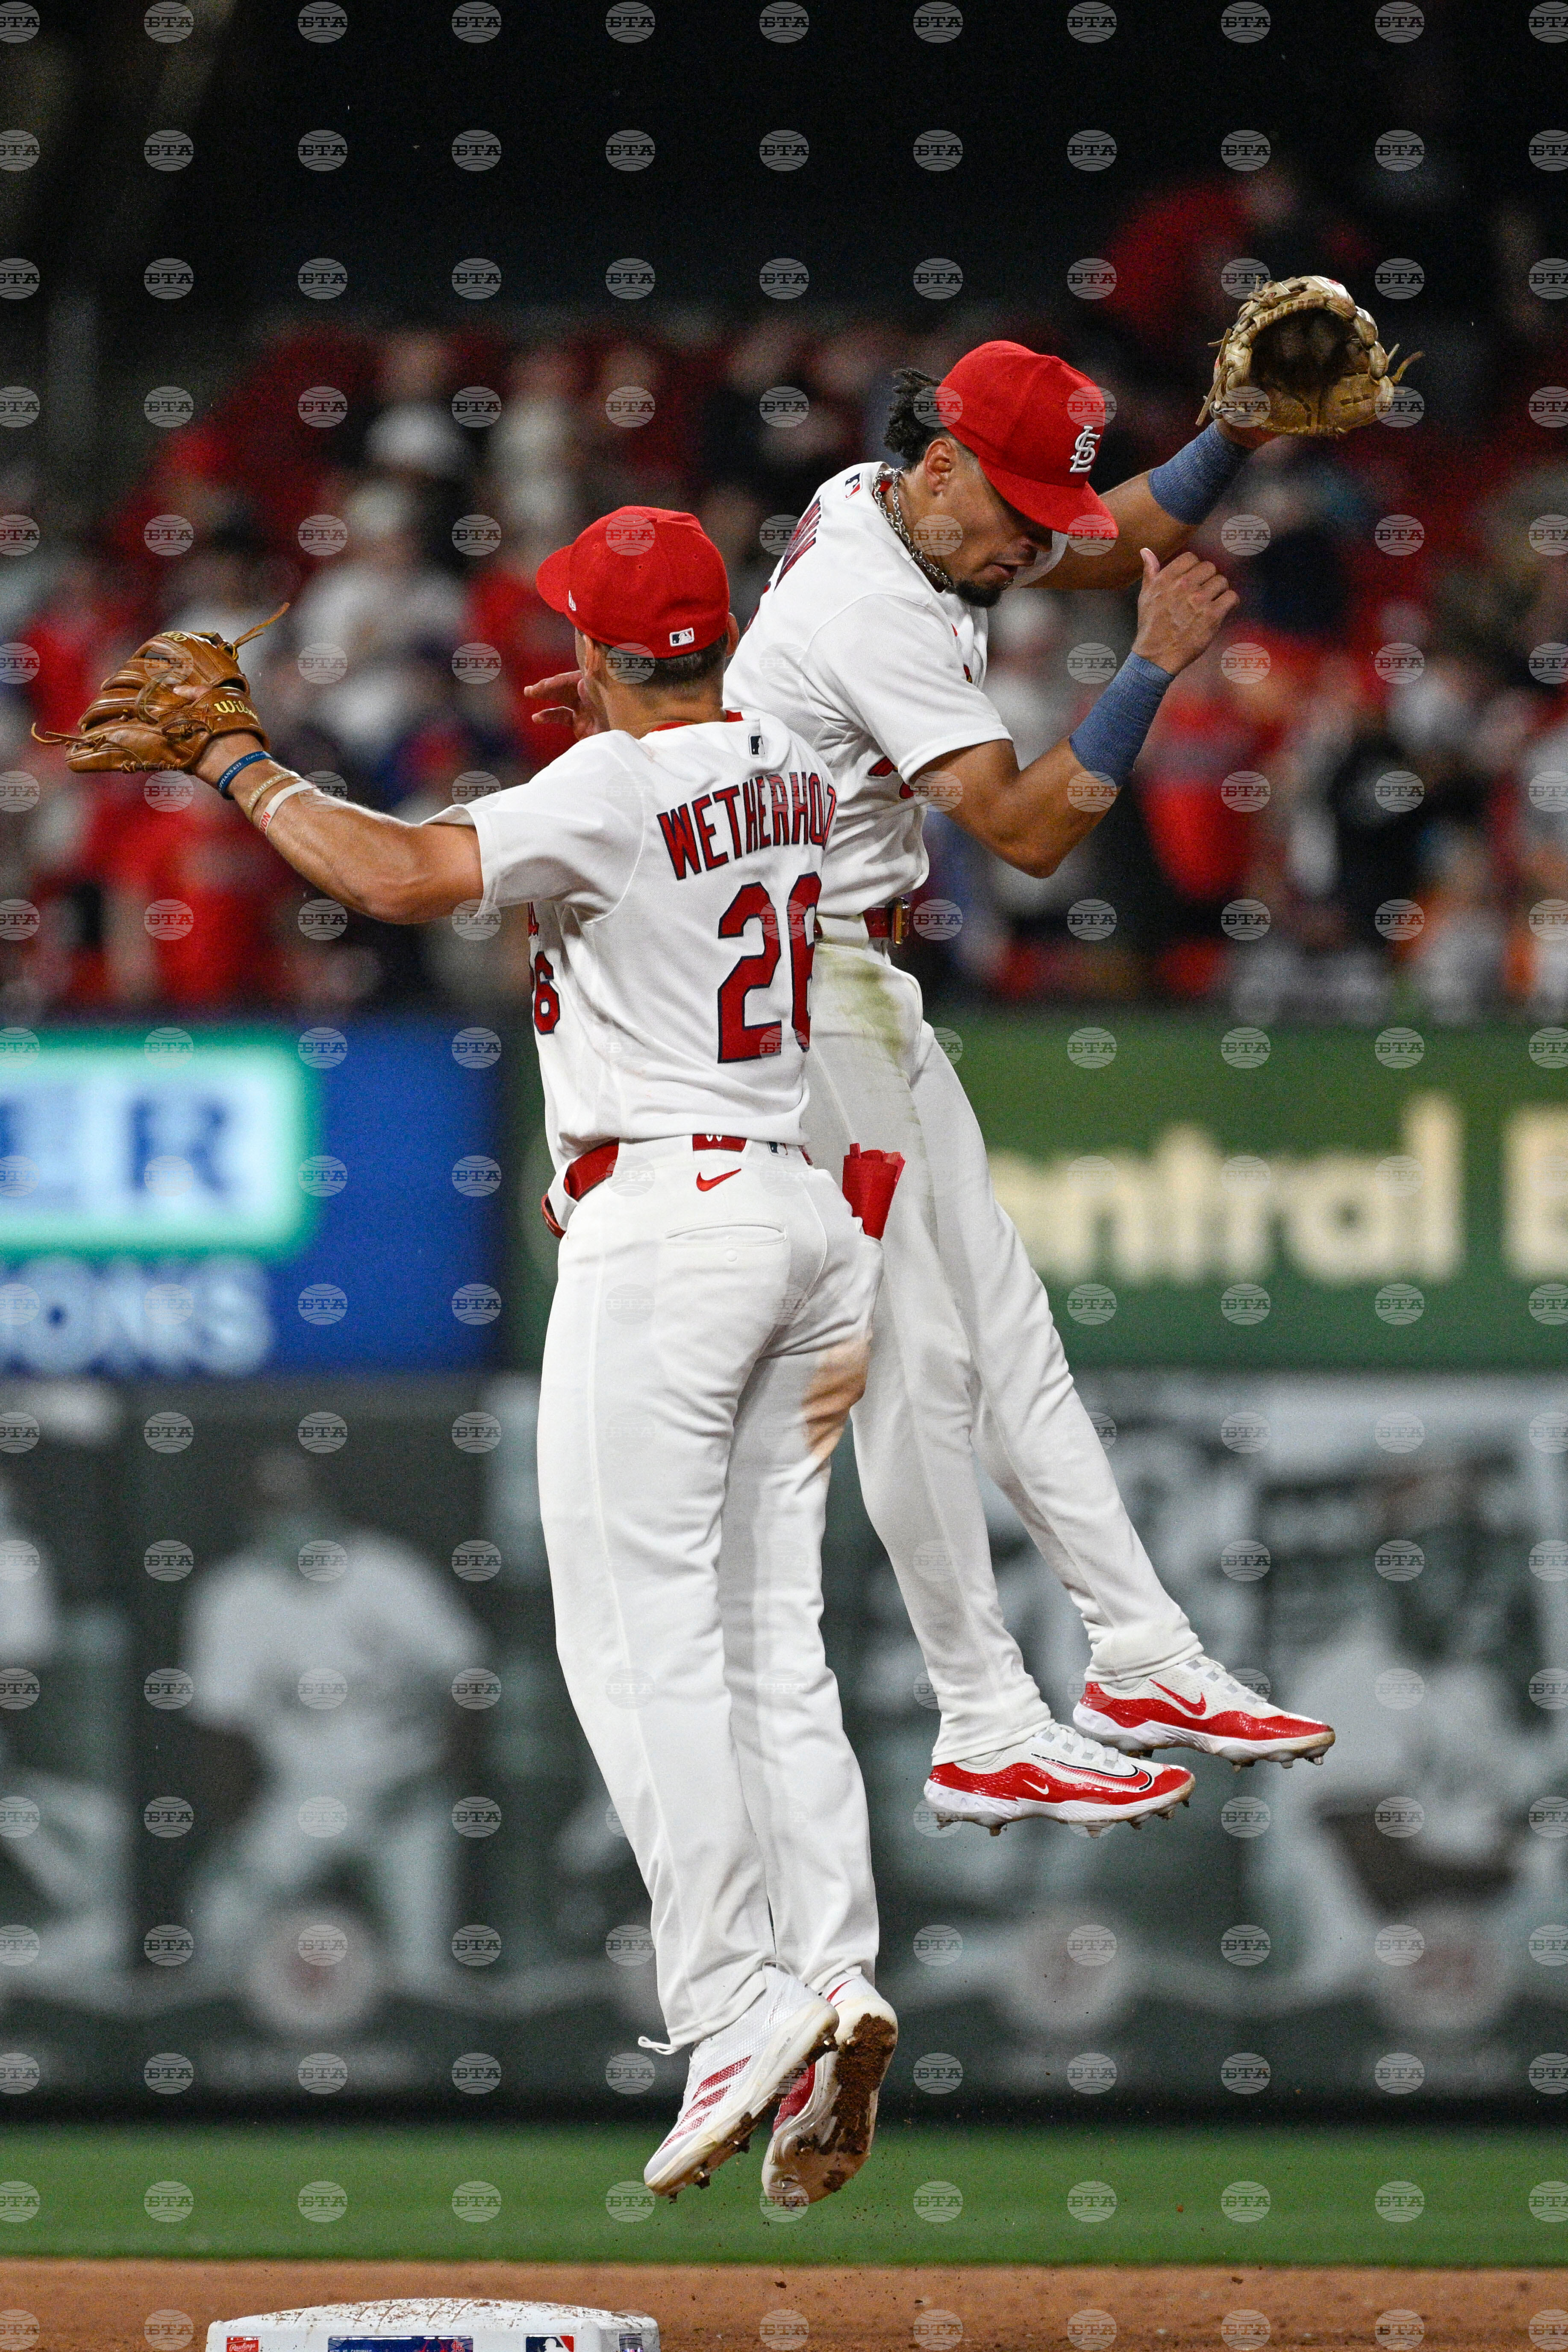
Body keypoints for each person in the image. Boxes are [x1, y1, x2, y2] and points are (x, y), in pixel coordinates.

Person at [55, 509, 1044, 2203]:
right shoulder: (790, 768)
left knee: (630, 1631)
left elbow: (390, 873)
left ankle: (733, 2003)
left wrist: (233, 752)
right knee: (765, 1639)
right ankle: (837, 1966)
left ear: (591, 647)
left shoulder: (612, 785)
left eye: (572, 631)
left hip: (670, 1219)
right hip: (804, 1215)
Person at [530, 341, 1337, 1838]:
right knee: (919, 1362)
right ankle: (980, 1714)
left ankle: (1144, 1654)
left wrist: (1229, 432)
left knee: (1003, 1330)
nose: (1032, 543)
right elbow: (1030, 836)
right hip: (806, 998)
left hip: (853, 982)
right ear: (945, 463)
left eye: (1044, 512)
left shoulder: (887, 500)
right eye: (1013, 508)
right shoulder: (872, 602)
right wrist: (1152, 664)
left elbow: (1115, 537)